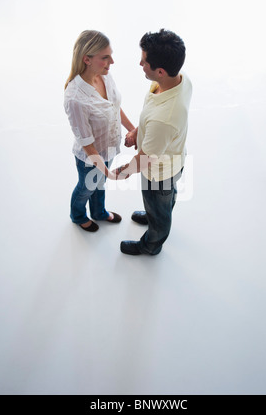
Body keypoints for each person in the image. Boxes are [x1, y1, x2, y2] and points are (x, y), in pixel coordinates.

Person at [113, 29, 192, 255]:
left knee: (159, 205)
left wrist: (121, 171)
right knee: (166, 200)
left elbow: (144, 160)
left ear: (160, 71)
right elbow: (154, 119)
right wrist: (138, 131)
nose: (140, 64)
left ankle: (151, 244)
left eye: (144, 61)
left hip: (158, 173)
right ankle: (156, 213)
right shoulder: (180, 80)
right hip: (173, 158)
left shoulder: (164, 120)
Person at [64, 30, 135, 232]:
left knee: (99, 183)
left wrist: (133, 130)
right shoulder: (75, 98)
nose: (111, 61)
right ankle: (78, 215)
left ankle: (98, 212)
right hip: (90, 156)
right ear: (87, 59)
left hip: (108, 148)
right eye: (105, 57)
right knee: (86, 187)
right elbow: (86, 144)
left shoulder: (104, 75)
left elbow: (114, 105)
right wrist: (109, 174)